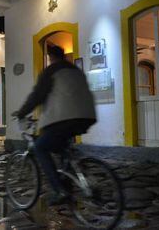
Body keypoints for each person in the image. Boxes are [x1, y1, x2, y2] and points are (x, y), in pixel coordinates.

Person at [12, 44, 96, 205]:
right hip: (86, 116)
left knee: (40, 147)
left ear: (50, 57)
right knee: (63, 148)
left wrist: (22, 112)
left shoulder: (51, 71)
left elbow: (37, 96)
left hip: (65, 117)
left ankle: (60, 190)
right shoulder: (75, 70)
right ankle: (71, 182)